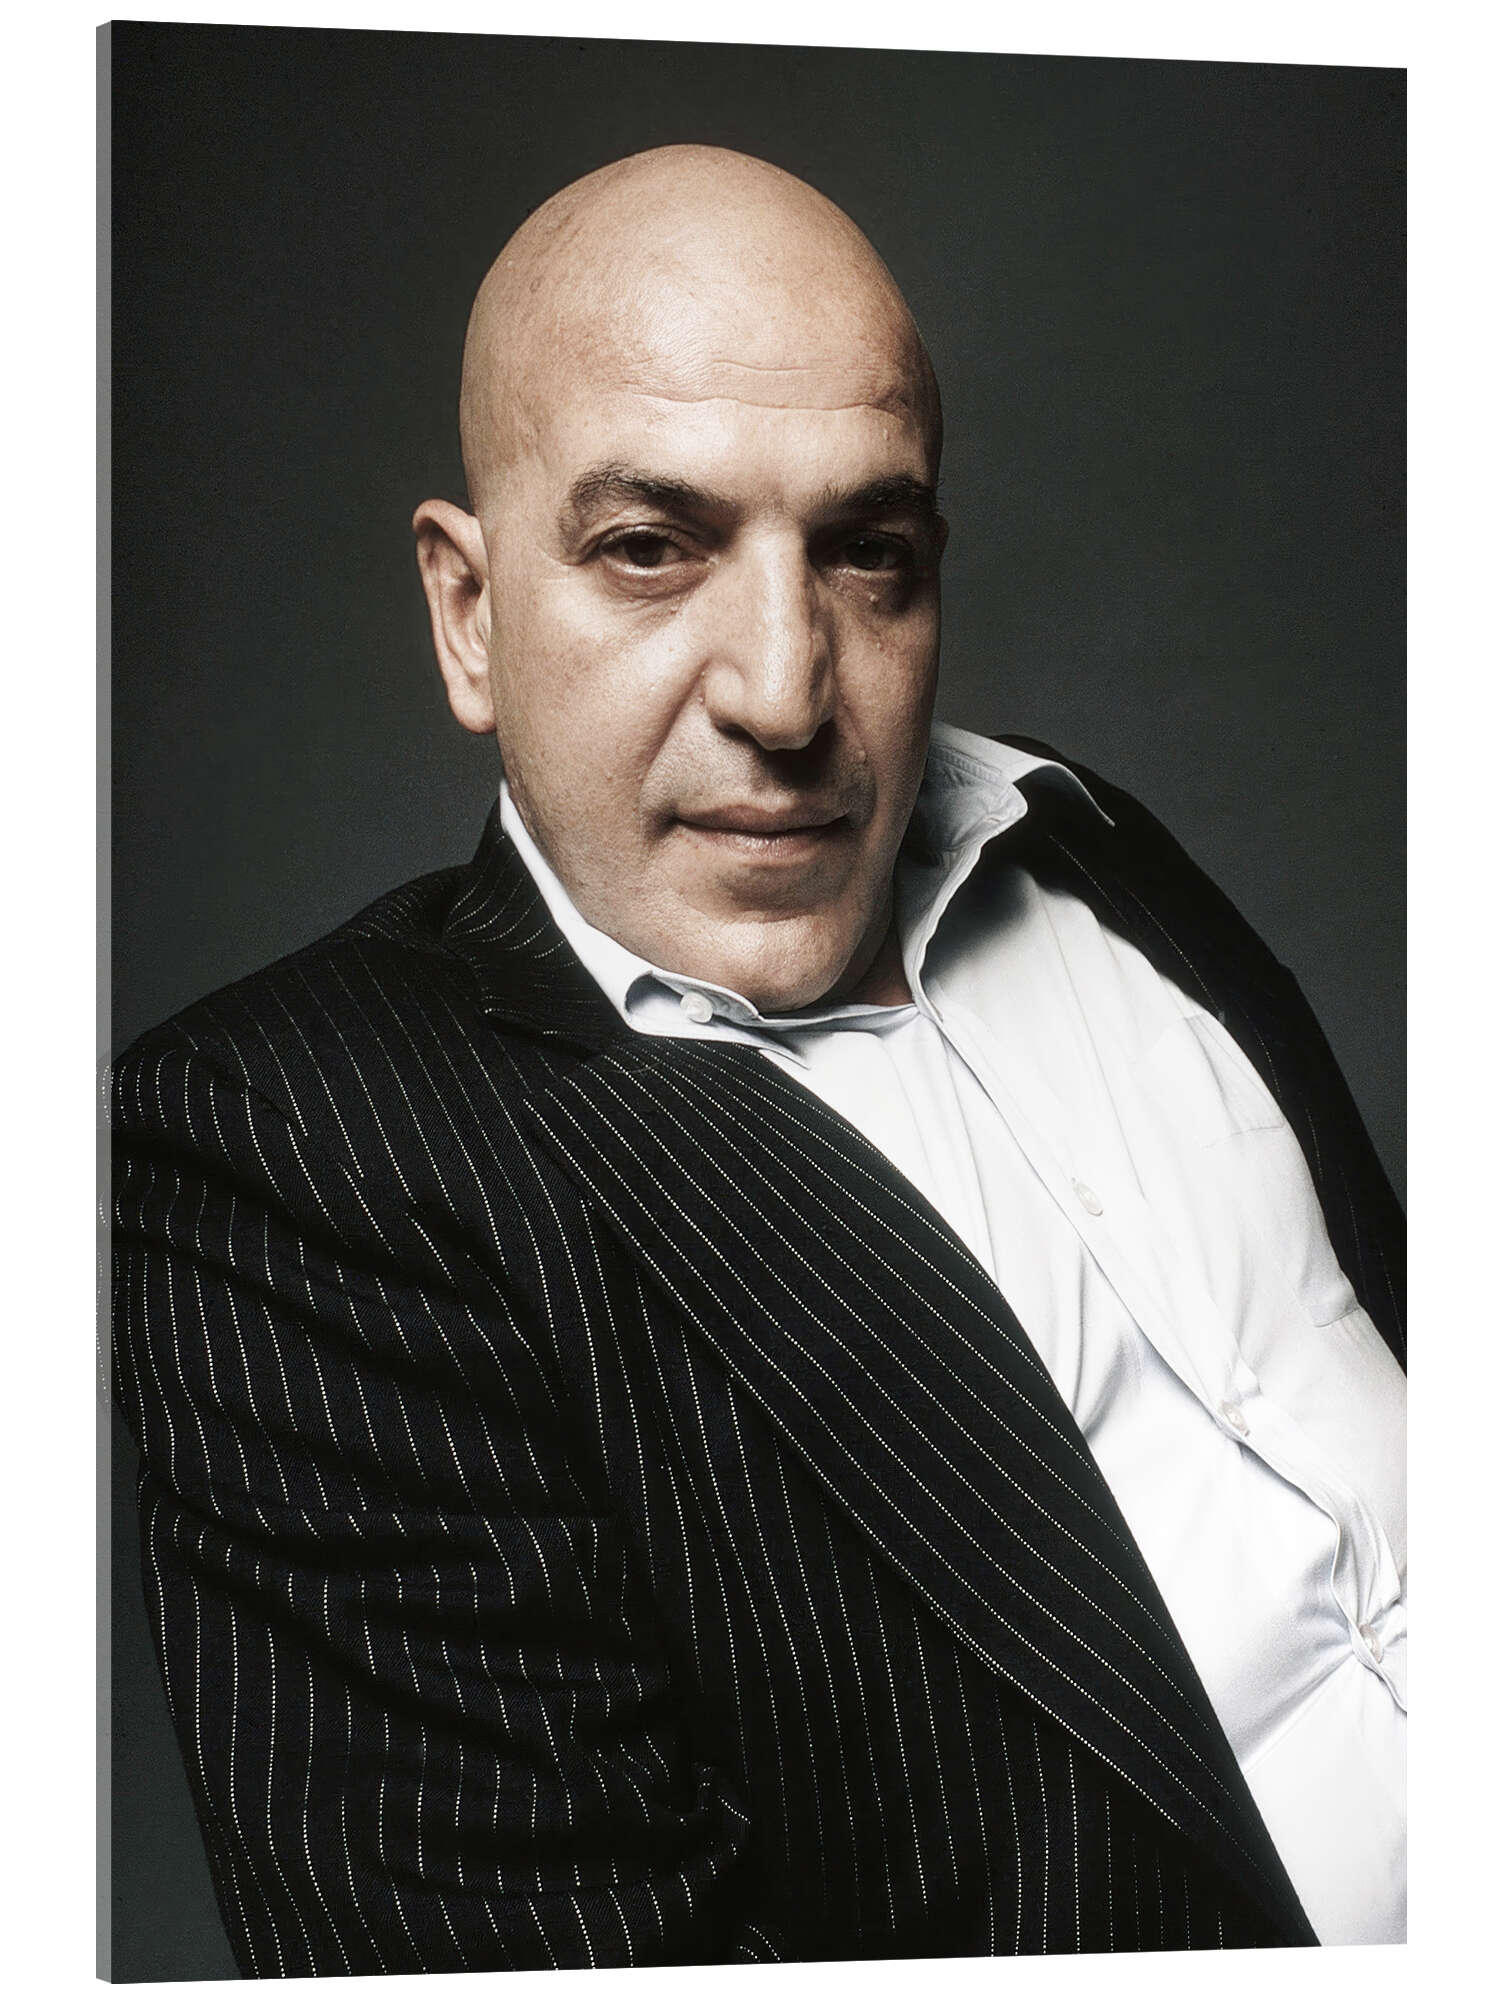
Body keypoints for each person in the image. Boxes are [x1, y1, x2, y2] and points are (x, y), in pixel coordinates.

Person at [111, 145, 1405, 1975]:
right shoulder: (294, 1151)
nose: (788, 694)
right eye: (652, 550)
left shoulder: (1084, 839)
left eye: (869, 553)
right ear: (470, 614)